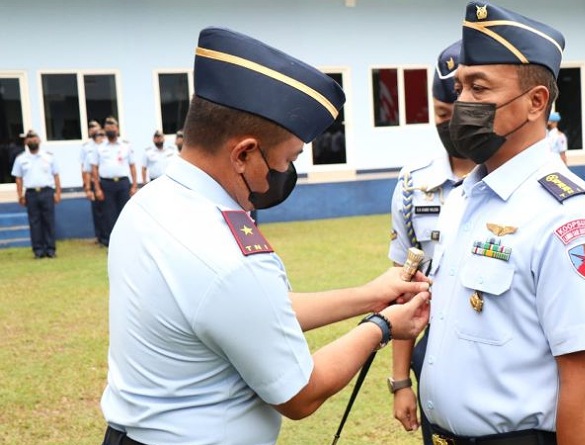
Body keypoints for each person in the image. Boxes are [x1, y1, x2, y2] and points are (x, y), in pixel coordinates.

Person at [99, 27, 431, 445]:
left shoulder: (152, 202)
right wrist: (382, 326)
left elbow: (255, 313)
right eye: (288, 158)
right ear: (243, 154)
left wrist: (370, 294)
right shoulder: (224, 254)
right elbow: (299, 394)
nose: (288, 172)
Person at [419, 4, 585, 444]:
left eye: (479, 87)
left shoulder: (567, 216)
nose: (462, 104)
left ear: (536, 103)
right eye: (459, 89)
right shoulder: (466, 196)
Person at [389, 40, 475, 445]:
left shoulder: (515, 184)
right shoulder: (413, 184)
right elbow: (403, 290)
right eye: (443, 114)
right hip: (434, 352)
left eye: (462, 113)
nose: (452, 123)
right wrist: (400, 380)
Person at [11, 130, 62, 258]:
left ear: (39, 140)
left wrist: (58, 192)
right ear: (25, 142)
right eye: (29, 138)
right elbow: (18, 178)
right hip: (31, 193)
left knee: (48, 221)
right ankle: (38, 250)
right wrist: (20, 195)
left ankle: (50, 249)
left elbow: (56, 176)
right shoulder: (21, 159)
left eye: (34, 138)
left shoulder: (49, 156)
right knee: (34, 222)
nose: (32, 140)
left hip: (46, 191)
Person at [91, 116, 136, 246]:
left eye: (112, 126)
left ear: (117, 129)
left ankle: (126, 242)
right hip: (106, 184)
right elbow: (94, 169)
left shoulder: (125, 145)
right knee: (108, 214)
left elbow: (132, 166)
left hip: (122, 183)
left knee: (125, 213)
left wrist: (133, 185)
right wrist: (97, 188)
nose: (110, 129)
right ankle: (111, 242)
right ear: (104, 130)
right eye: (107, 127)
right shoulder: (99, 147)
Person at [81, 121, 106, 244]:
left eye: (100, 133)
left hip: (107, 182)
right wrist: (87, 187)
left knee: (109, 210)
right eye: (91, 128)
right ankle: (100, 236)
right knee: (97, 211)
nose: (98, 136)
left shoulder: (108, 147)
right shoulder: (87, 148)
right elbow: (85, 169)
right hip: (93, 181)